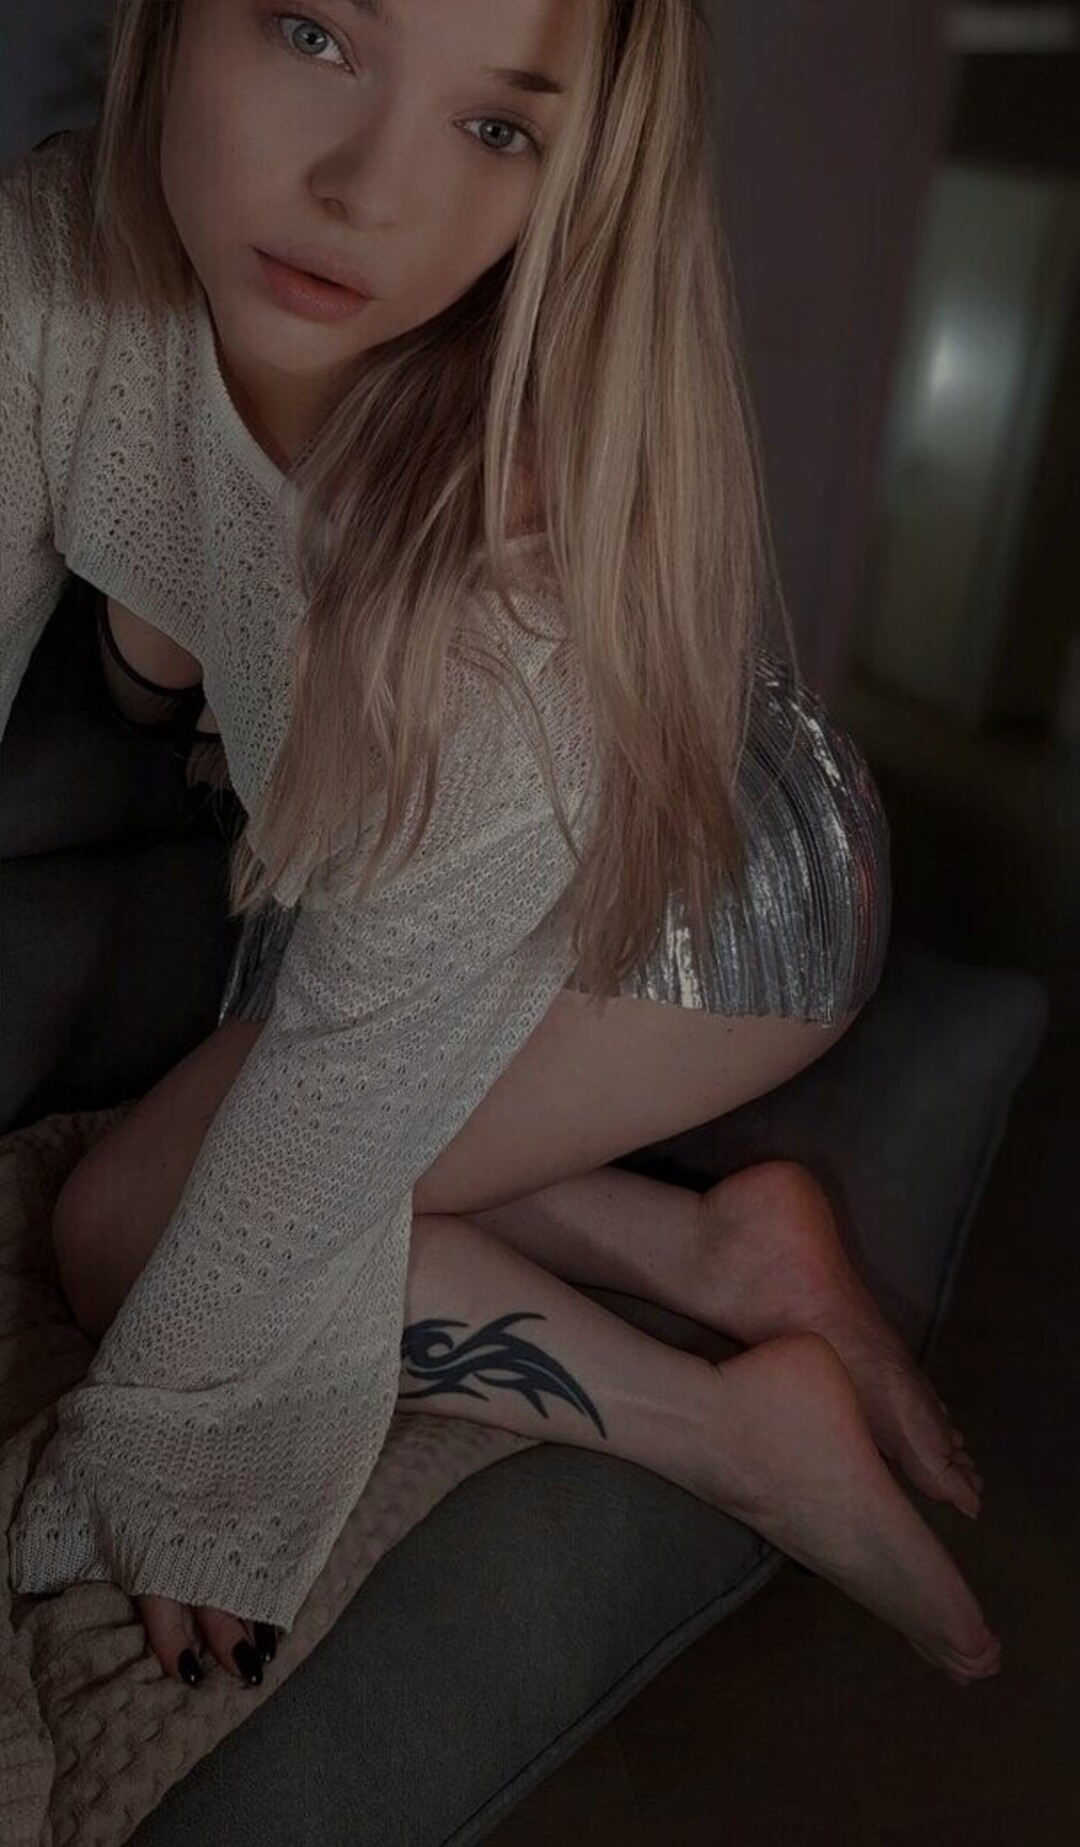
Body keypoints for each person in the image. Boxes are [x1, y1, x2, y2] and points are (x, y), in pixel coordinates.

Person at [1, 0, 999, 1702]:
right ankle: (717, 1252)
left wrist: (185, 1456)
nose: (366, 192)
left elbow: (314, 1133)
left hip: (699, 900)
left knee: (124, 1237)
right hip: (413, 881)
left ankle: (739, 1431)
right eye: (314, 33)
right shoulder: (53, 263)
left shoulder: (495, 589)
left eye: (496, 128)